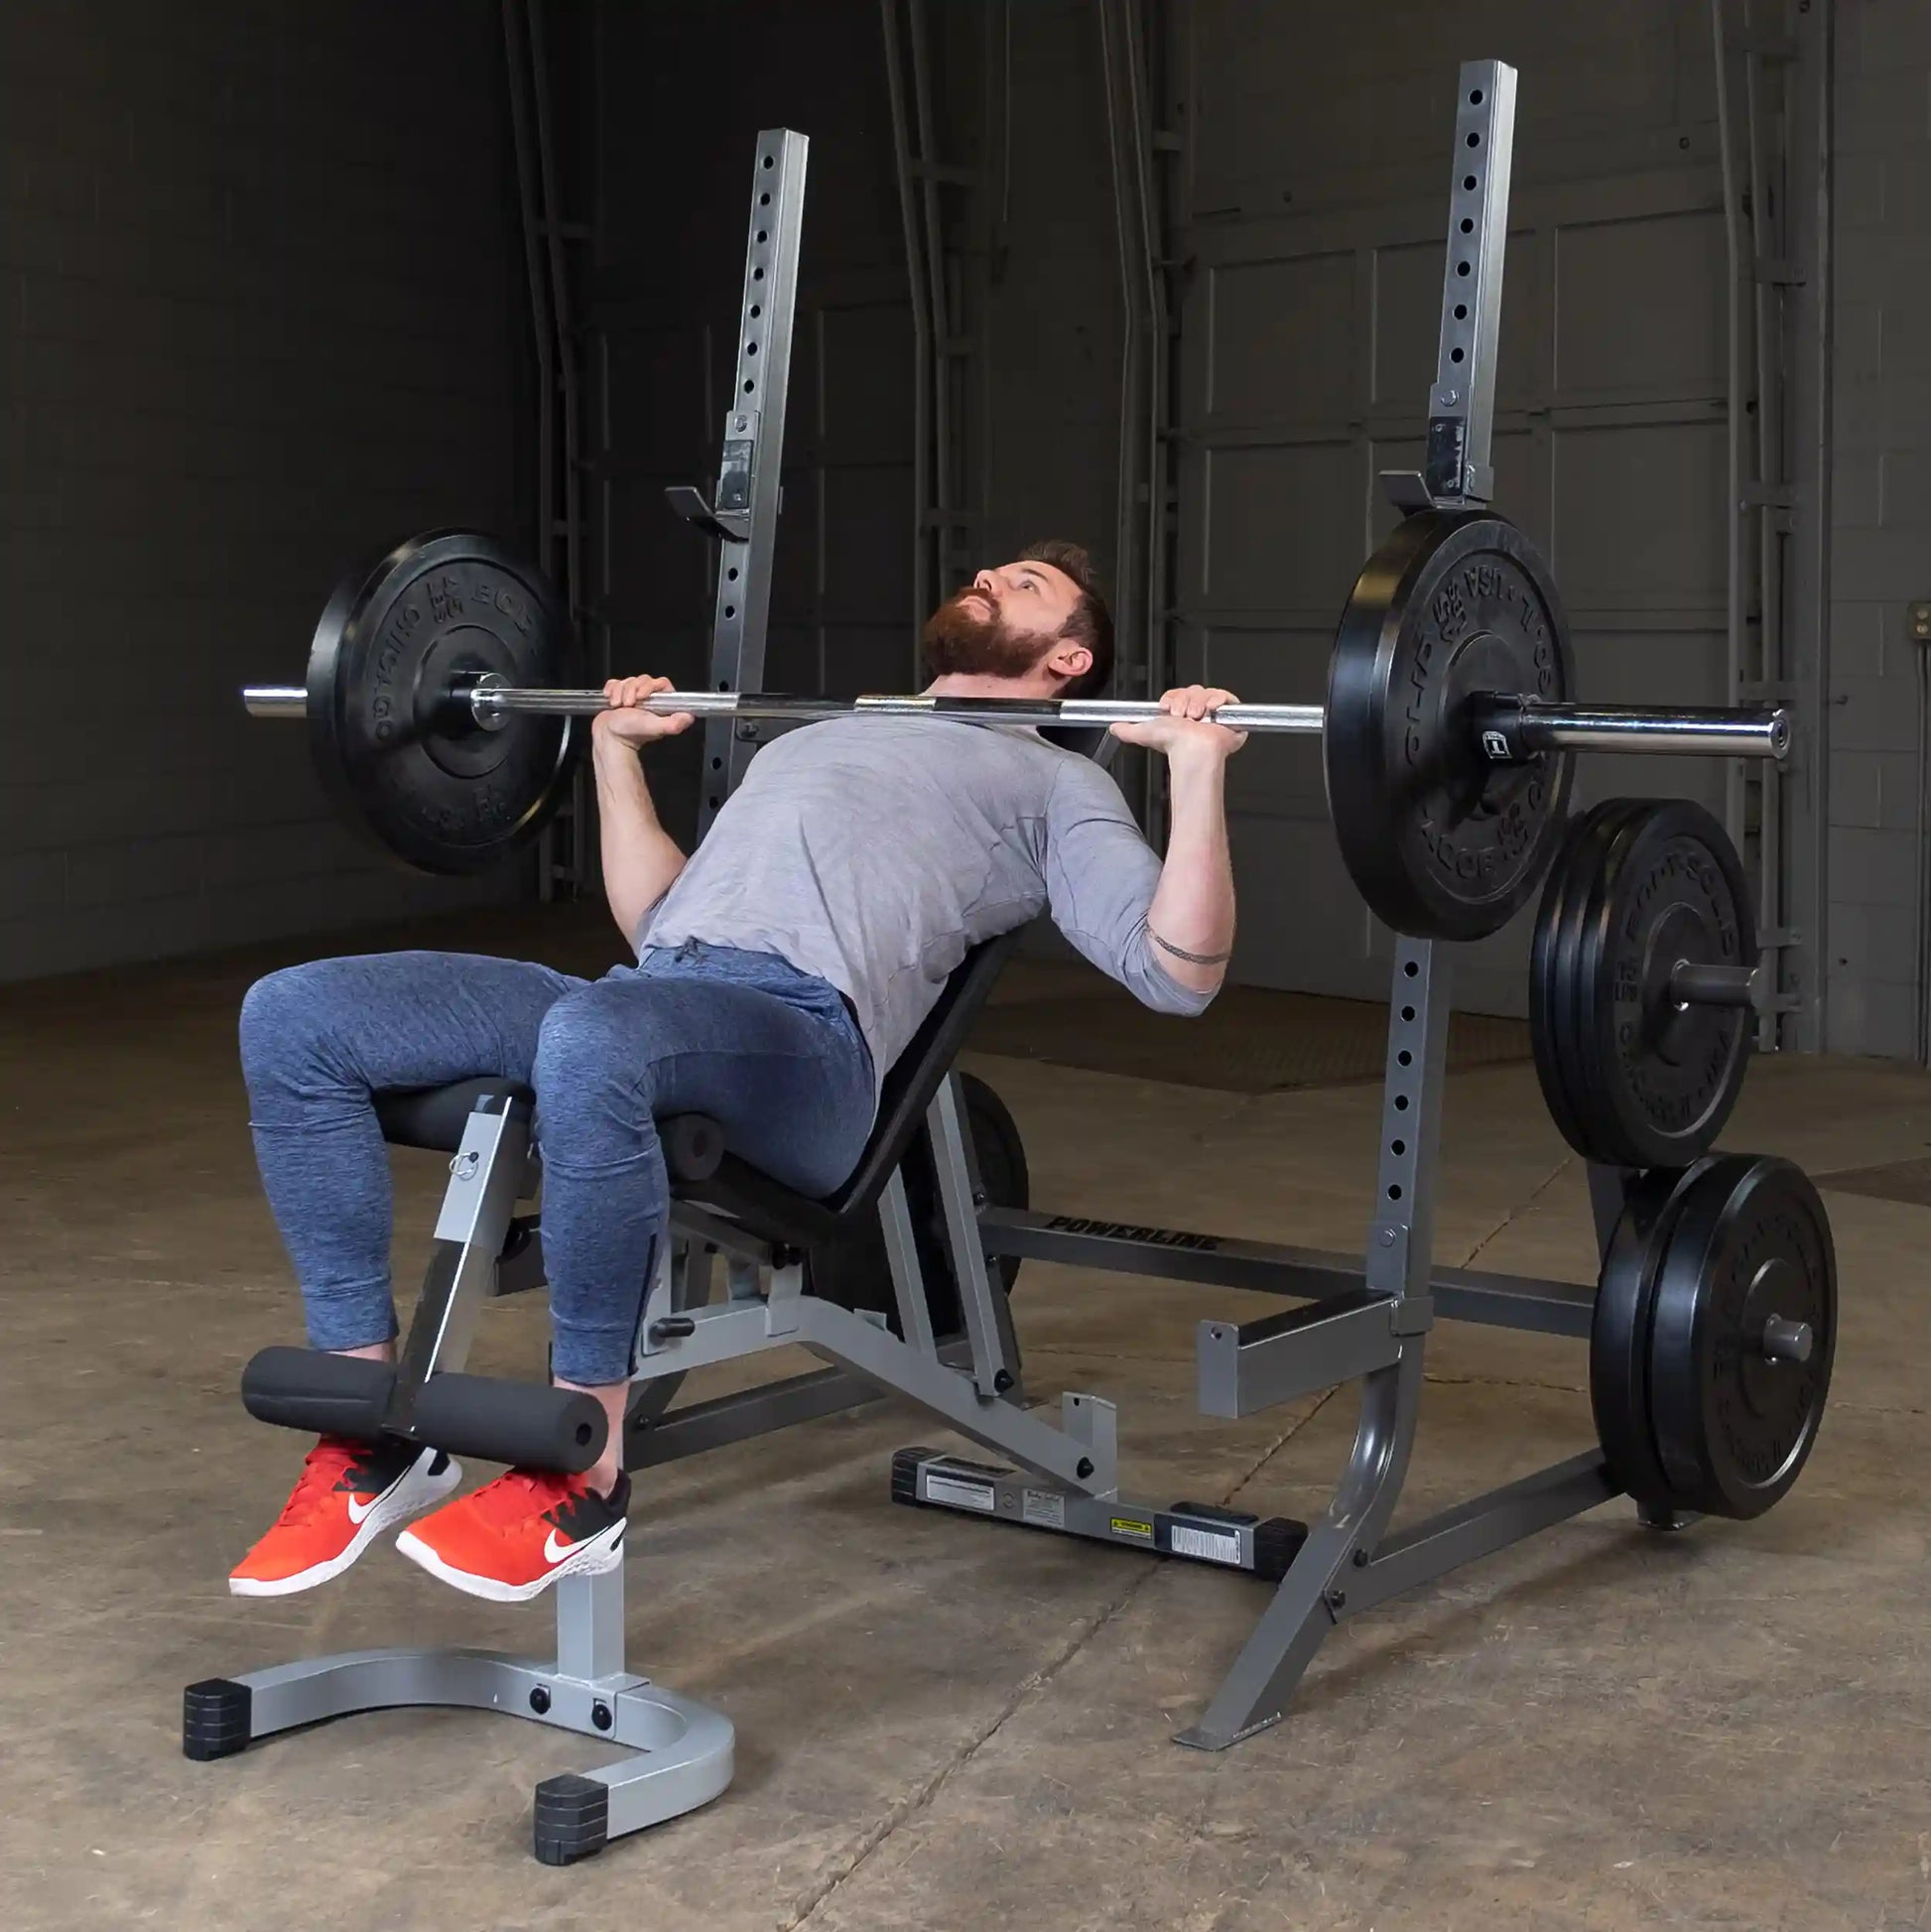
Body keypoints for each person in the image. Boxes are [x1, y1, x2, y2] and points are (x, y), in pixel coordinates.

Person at [229, 539, 1245, 1604]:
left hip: (804, 1048)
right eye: (992, 569)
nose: (991, 576)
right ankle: (364, 1428)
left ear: (1069, 661)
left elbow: (1179, 973)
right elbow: (660, 925)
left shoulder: (1055, 780)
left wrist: (1192, 771)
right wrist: (614, 752)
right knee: (293, 1016)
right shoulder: (818, 739)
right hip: (660, 994)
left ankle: (583, 1473)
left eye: (1026, 585)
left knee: (595, 1043)